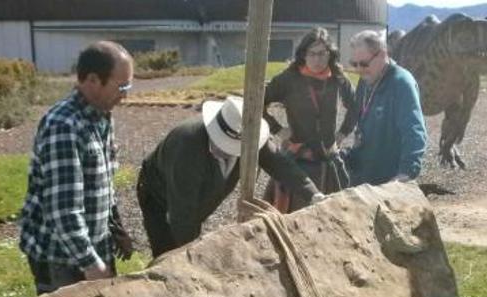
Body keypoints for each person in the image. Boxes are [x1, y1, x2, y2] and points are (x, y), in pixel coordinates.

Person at [16, 41, 135, 297]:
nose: (127, 92)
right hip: (59, 253)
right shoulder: (64, 125)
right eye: (121, 85)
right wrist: (91, 262)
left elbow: (103, 181)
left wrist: (116, 229)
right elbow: (63, 209)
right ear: (89, 80)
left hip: (90, 243)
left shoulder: (101, 116)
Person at [137, 95, 323, 257]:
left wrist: (313, 195)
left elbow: (280, 165)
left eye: (232, 149)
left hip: (197, 194)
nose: (227, 151)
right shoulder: (186, 146)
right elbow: (182, 213)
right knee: (168, 252)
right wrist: (191, 255)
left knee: (194, 225)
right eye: (223, 145)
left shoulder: (252, 137)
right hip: (159, 196)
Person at [262, 27, 357, 212]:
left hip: (328, 158)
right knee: (292, 216)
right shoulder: (289, 79)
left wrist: (343, 132)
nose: (317, 59)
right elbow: (256, 104)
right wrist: (278, 130)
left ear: (330, 54)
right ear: (303, 54)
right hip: (297, 160)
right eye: (312, 53)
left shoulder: (338, 79)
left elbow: (355, 107)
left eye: (322, 53)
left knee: (333, 214)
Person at [344, 30, 428, 186]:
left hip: (388, 183)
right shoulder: (365, 79)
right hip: (362, 180)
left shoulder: (401, 83)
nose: (358, 69)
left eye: (363, 63)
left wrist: (405, 173)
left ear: (382, 54)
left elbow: (414, 132)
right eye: (354, 64)